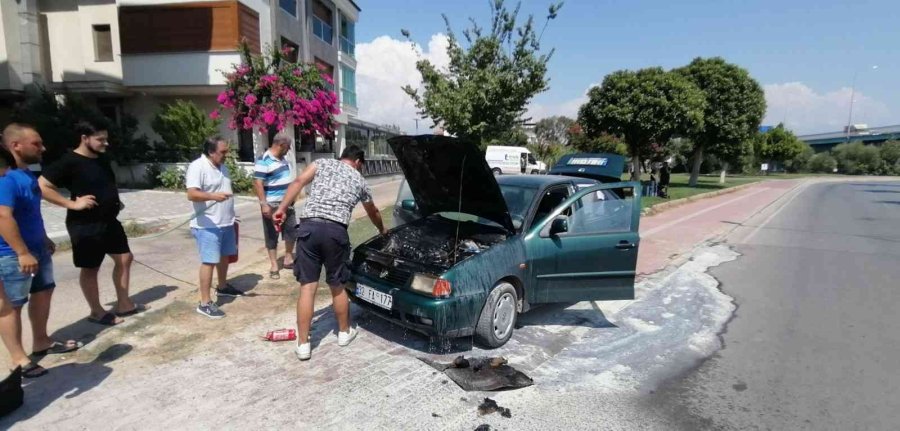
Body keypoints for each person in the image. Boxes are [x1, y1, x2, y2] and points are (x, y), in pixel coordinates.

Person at [273, 145, 386, 361]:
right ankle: (344, 333)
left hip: (309, 228)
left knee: (307, 288)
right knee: (337, 285)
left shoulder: (321, 163)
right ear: (358, 162)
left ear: (342, 157)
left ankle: (303, 344)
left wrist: (281, 209)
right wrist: (382, 229)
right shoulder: (360, 180)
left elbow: (298, 182)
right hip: (335, 232)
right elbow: (373, 211)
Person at [39, 120, 146, 326]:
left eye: (106, 139)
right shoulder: (69, 161)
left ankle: (124, 304)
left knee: (125, 258)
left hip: (109, 220)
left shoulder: (101, 159)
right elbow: (42, 186)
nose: (105, 143)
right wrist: (71, 204)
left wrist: (114, 200)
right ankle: (96, 311)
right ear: (84, 138)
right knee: (90, 268)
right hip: (85, 224)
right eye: (100, 139)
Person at [0, 124, 80, 378]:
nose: (42, 148)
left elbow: (30, 212)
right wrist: (22, 252)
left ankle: (41, 341)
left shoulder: (26, 174)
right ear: (15, 146)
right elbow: (3, 216)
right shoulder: (6, 179)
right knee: (11, 306)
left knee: (43, 292)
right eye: (36, 143)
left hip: (37, 249)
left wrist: (43, 238)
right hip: (12, 255)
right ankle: (18, 359)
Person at [185, 137, 244, 319]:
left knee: (224, 256)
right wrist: (212, 196)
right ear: (211, 152)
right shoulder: (197, 166)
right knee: (209, 261)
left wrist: (231, 214)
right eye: (223, 152)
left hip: (226, 222)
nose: (226, 155)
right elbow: (191, 194)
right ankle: (204, 303)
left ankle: (223, 286)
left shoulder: (222, 167)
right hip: (207, 225)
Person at [252, 134, 297, 280]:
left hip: (287, 203)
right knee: (272, 235)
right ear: (281, 145)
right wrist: (263, 204)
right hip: (271, 204)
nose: (289, 150)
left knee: (291, 231)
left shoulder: (283, 160)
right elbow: (258, 183)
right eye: (288, 147)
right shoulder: (264, 160)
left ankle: (288, 258)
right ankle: (274, 265)